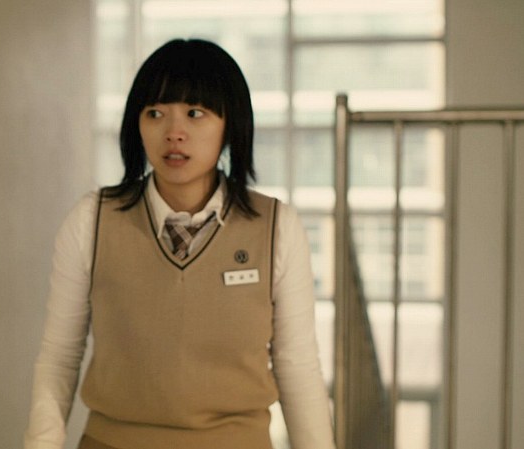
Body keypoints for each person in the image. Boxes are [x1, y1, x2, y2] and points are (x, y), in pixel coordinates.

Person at [24, 39, 335, 449]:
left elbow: (296, 366)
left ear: (229, 124)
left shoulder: (277, 227)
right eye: (155, 114)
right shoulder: (91, 220)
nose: (174, 133)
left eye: (195, 113)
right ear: (136, 125)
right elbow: (61, 357)